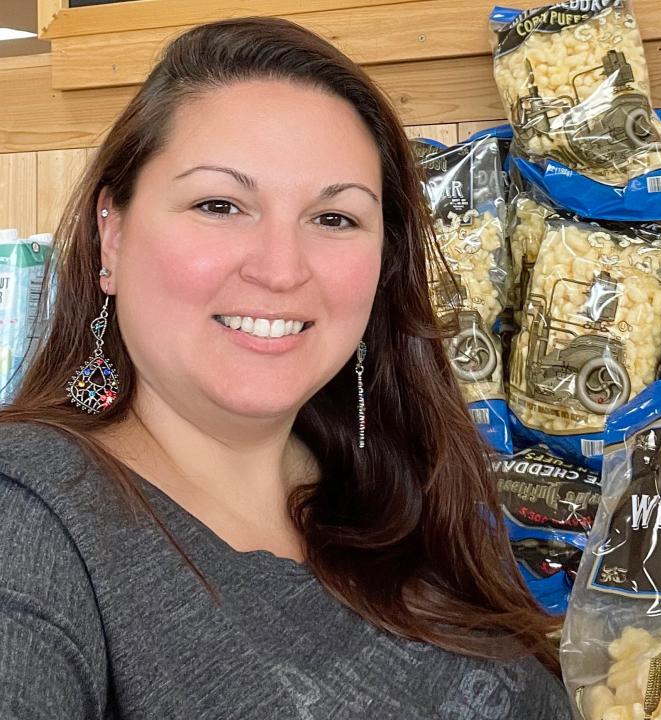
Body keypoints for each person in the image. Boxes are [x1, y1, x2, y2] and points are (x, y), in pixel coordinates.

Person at [0, 17, 572, 719]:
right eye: (220, 205)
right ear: (111, 235)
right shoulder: (28, 511)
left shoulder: (406, 490)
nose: (280, 270)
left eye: (334, 218)